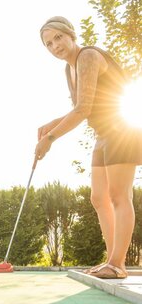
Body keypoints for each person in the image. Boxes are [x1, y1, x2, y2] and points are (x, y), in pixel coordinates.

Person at [36, 16, 142, 279]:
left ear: (71, 34)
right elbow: (83, 107)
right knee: (99, 197)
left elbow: (83, 110)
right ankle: (110, 260)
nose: (55, 46)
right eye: (48, 44)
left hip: (123, 128)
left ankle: (118, 264)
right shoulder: (68, 69)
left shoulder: (88, 57)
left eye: (58, 38)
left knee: (119, 195)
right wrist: (52, 124)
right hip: (103, 132)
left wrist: (49, 139)